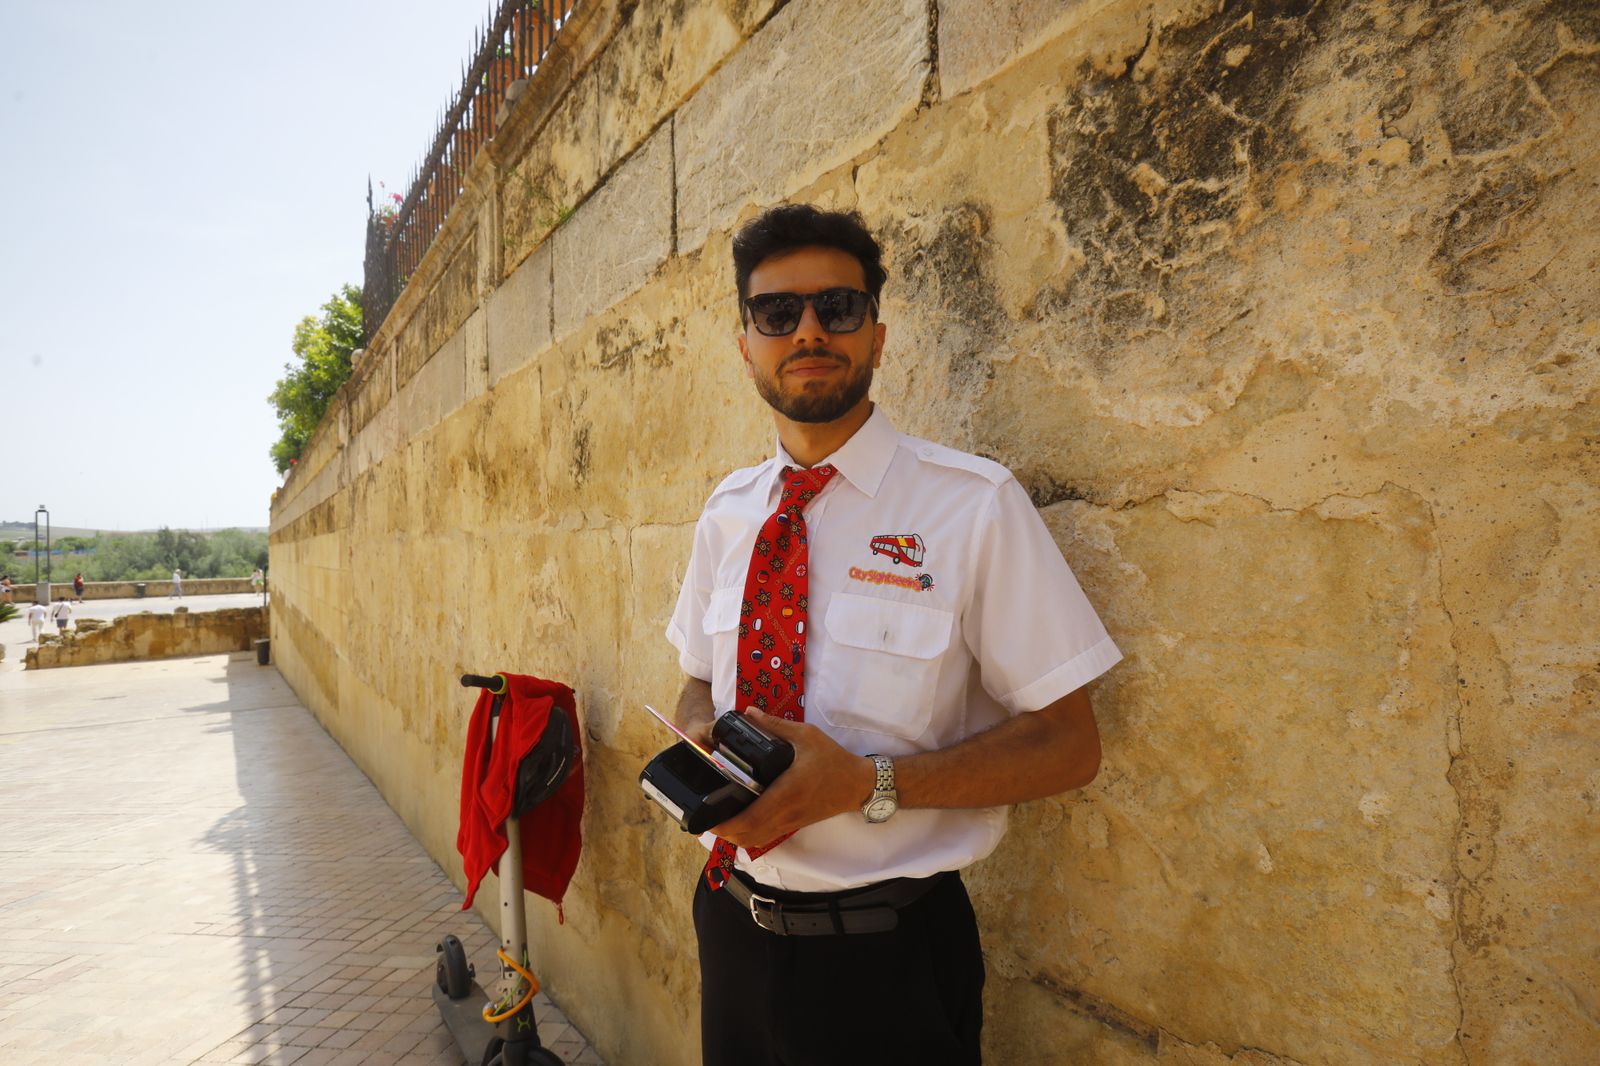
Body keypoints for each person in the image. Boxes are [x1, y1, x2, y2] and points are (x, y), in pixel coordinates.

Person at [664, 204, 1122, 1066]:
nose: (808, 331)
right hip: (730, 924)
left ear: (877, 335)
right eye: (776, 314)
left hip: (889, 952)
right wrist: (695, 726)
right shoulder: (728, 514)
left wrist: (866, 784)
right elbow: (696, 674)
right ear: (745, 344)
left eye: (838, 309)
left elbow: (1071, 747)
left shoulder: (973, 506)